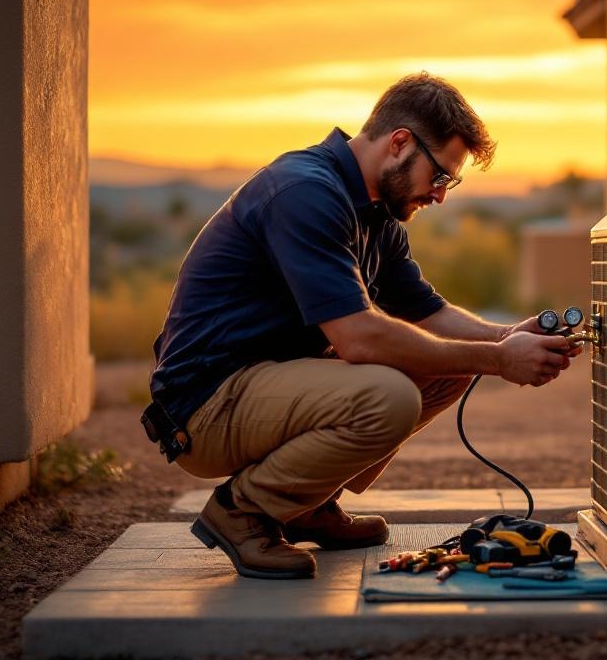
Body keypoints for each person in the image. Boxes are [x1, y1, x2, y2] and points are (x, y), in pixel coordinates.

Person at [148, 73, 581, 579]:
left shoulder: (377, 213)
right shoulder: (306, 192)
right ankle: (243, 512)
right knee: (387, 396)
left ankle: (306, 504)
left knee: (449, 366)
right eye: (440, 176)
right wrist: (500, 360)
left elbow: (427, 312)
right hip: (205, 405)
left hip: (263, 383)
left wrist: (507, 337)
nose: (440, 195)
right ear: (400, 144)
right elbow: (358, 338)